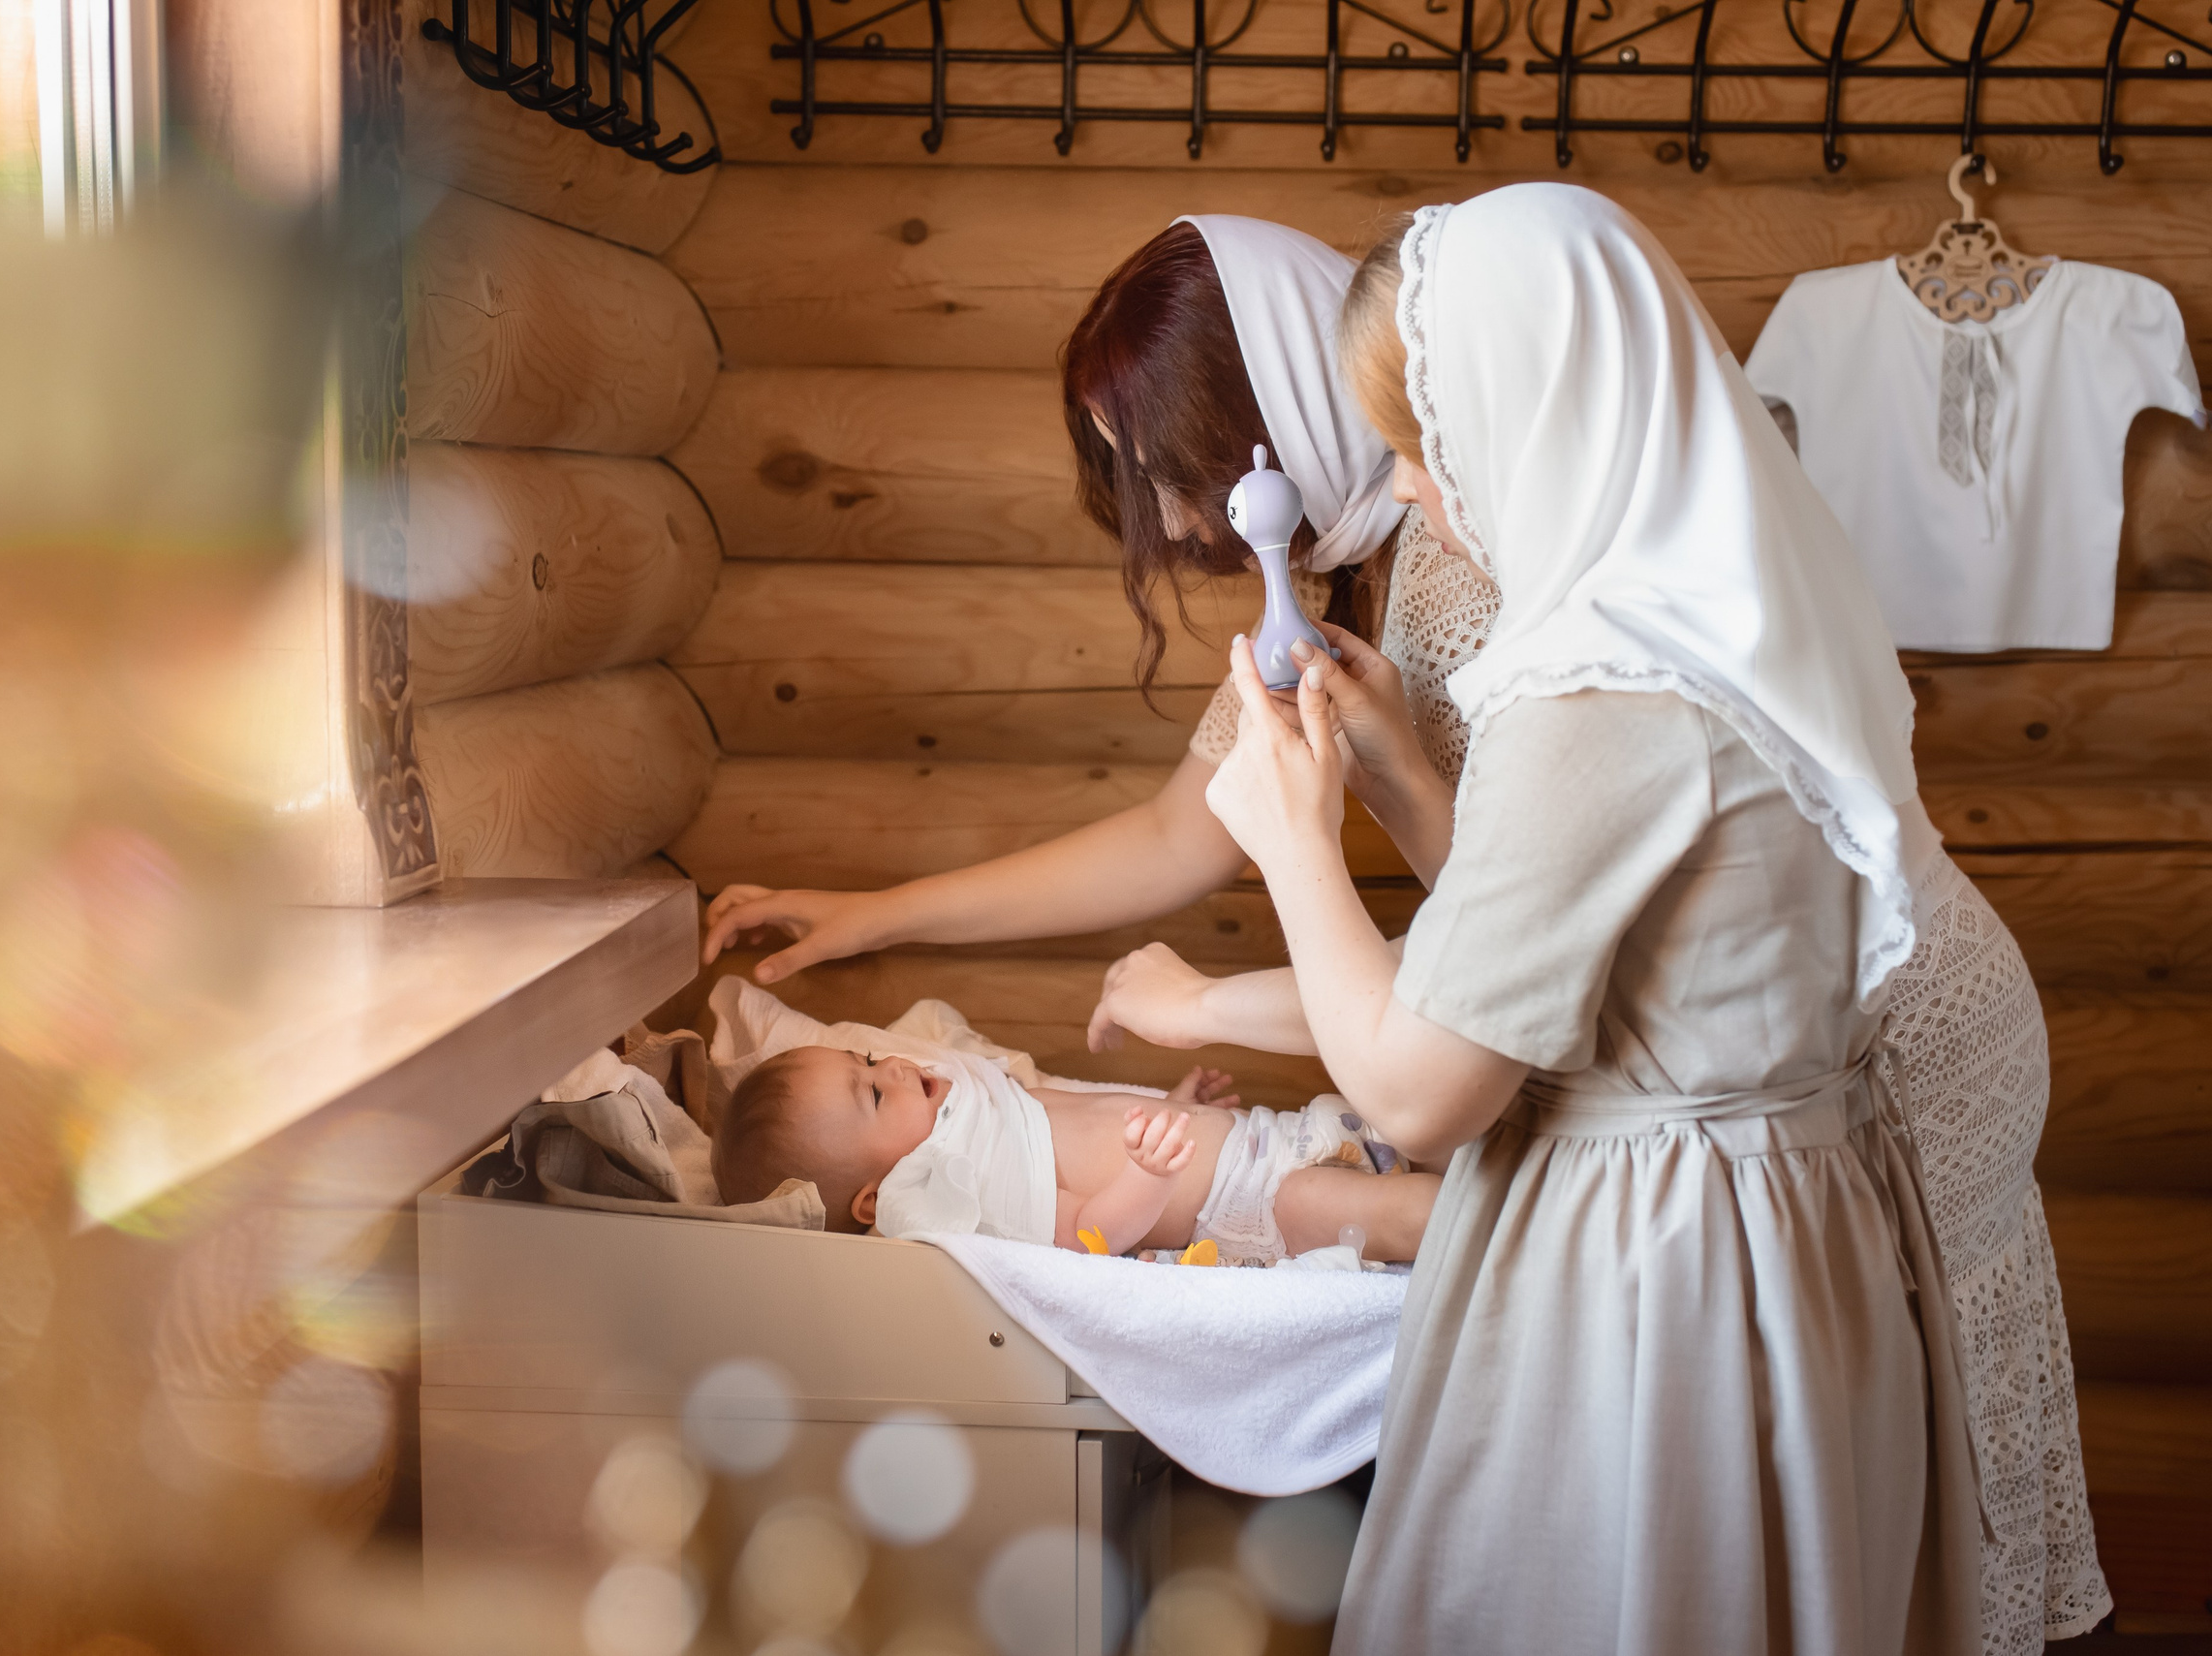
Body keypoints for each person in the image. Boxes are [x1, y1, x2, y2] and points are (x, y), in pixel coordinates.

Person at [704, 206, 2106, 1648]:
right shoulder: (1374, 570)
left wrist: (1286, 875)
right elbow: (1237, 849)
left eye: (1176, 472)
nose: (1174, 524)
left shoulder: (1518, 580)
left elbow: (1465, 1019)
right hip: (1727, 1070)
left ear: (1270, 413)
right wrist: (878, 911)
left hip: (1852, 1052)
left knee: (1793, 1488)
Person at [711, 1044, 1437, 1265]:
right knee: (1402, 1213)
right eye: (873, 1093)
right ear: (876, 1198)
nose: (895, 1066)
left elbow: (1083, 1115)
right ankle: (1503, 1232)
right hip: (1252, 1206)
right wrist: (1149, 1174)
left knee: (1426, 1116)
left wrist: (1172, 1106)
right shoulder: (960, 1190)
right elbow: (1090, 1234)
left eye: (867, 1058)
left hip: (1271, 1135)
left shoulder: (967, 1105)